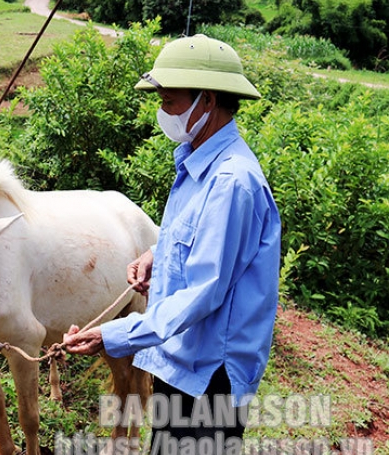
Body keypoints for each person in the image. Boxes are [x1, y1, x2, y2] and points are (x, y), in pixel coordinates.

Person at [64, 34, 281, 455]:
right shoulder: (196, 163)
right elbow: (197, 239)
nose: (163, 110)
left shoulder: (231, 183)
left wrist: (114, 335)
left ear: (208, 101)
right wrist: (155, 257)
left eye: (170, 100)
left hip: (210, 377)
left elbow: (204, 292)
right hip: (181, 359)